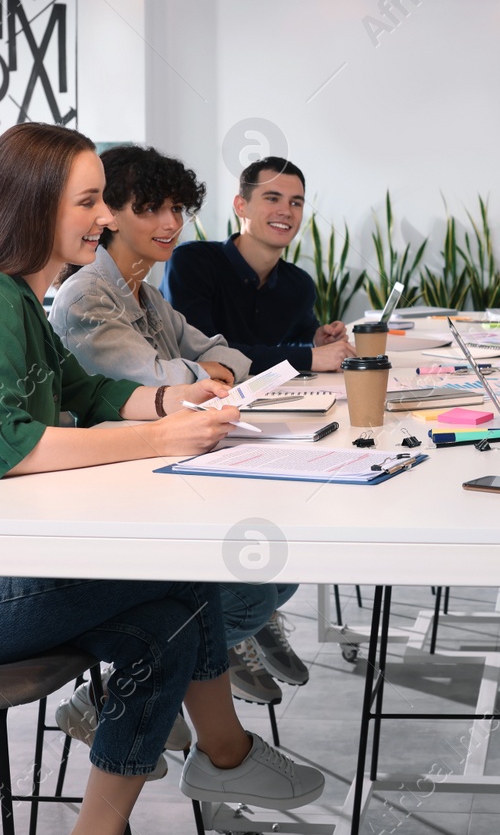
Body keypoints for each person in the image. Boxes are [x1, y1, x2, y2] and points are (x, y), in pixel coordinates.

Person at [0, 123, 325, 835]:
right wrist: (160, 435)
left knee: (173, 618)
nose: (105, 219)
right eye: (91, 201)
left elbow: (91, 392)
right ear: (36, 204)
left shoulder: (21, 302)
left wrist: (177, 396)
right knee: (184, 584)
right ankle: (224, 757)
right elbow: (8, 443)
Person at [49, 144, 309, 708]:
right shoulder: (88, 295)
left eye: (177, 208)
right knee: (254, 589)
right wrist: (200, 374)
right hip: (117, 500)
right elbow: (160, 383)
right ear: (109, 215)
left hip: (170, 475)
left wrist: (200, 372)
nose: (171, 224)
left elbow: (227, 356)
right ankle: (121, 698)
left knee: (282, 566)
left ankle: (163, 689)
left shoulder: (144, 292)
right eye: (150, 209)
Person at [163, 156, 354, 373]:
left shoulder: (299, 284)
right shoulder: (191, 263)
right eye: (272, 199)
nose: (286, 211)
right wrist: (308, 358)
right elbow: (202, 353)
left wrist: (317, 342)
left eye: (295, 203)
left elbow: (299, 339)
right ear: (241, 206)